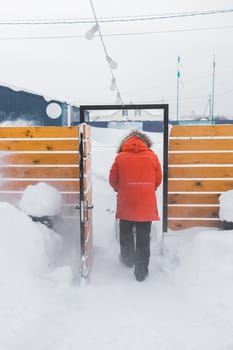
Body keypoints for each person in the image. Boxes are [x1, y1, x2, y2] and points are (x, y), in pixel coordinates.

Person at [109, 130, 162, 282]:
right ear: (145, 142)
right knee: (144, 236)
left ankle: (127, 259)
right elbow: (158, 179)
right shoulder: (152, 157)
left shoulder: (120, 157)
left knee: (125, 232)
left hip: (127, 202)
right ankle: (141, 271)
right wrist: (148, 188)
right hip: (146, 203)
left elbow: (113, 179)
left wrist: (120, 189)